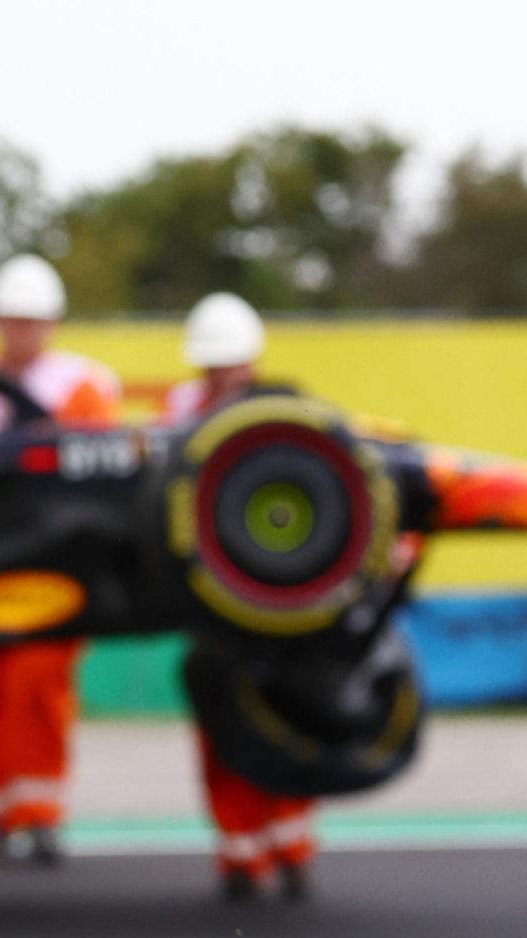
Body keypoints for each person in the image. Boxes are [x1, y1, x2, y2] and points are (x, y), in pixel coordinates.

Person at [0, 253, 122, 863]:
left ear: (53, 323)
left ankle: (41, 814)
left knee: (39, 686)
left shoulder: (83, 386)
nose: (21, 332)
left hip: (53, 567)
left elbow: (102, 478)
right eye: (12, 320)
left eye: (32, 321)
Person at [160, 292, 319, 902]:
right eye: (212, 365)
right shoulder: (178, 414)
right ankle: (239, 853)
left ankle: (292, 846)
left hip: (277, 599)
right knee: (220, 723)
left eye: (231, 364)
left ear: (251, 360)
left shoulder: (286, 410)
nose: (222, 376)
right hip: (209, 597)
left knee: (285, 718)